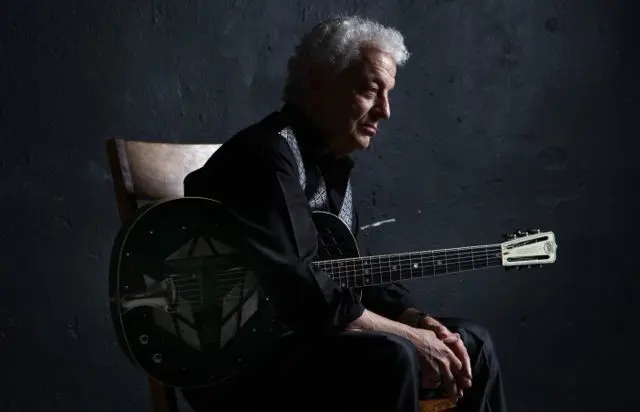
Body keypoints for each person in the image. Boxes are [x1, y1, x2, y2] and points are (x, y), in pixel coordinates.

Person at [182, 15, 508, 412]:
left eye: (388, 95)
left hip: (307, 343)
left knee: (472, 344)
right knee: (394, 355)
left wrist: (418, 321)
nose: (385, 111)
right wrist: (409, 337)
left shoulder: (329, 166)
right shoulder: (266, 155)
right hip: (243, 365)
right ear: (318, 82)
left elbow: (355, 278)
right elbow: (303, 290)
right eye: (370, 90)